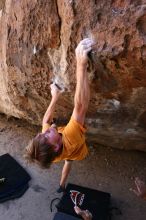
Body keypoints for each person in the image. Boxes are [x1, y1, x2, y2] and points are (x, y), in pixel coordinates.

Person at [25, 38, 95, 192]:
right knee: (69, 162)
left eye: (40, 135)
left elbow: (46, 120)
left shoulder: (48, 153)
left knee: (66, 163)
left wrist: (54, 96)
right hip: (78, 151)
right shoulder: (71, 138)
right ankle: (63, 183)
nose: (43, 132)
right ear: (56, 146)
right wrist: (81, 64)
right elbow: (81, 106)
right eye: (45, 136)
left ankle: (61, 186)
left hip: (64, 154)